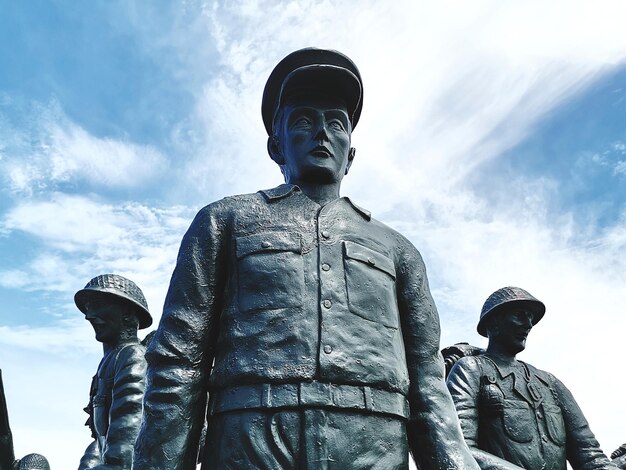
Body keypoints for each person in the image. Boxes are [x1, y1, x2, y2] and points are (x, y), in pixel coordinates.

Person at [133, 47, 478, 470]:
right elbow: (178, 362)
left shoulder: (398, 250)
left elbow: (427, 382)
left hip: (374, 444)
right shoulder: (225, 221)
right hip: (253, 441)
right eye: (303, 120)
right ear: (275, 145)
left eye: (337, 123)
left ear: (351, 153)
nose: (321, 133)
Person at [447, 286, 621, 470]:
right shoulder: (471, 369)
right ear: (493, 323)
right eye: (519, 315)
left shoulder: (549, 383)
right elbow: (459, 447)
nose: (528, 324)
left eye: (530, 318)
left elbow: (590, 455)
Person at [76, 274, 152, 470]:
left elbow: (129, 424)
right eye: (87, 308)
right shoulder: (107, 363)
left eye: (98, 304)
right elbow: (102, 438)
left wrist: (115, 465)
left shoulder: (132, 355)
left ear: (126, 312)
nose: (88, 315)